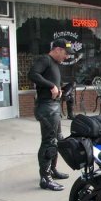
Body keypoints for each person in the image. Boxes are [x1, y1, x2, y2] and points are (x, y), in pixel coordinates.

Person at [29, 38, 75, 191]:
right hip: (46, 108)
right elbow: (33, 74)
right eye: (66, 53)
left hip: (53, 107)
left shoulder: (54, 64)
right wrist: (51, 86)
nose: (67, 57)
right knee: (48, 142)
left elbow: (51, 84)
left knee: (57, 141)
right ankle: (45, 178)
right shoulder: (45, 59)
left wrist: (60, 89)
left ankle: (52, 171)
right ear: (57, 50)